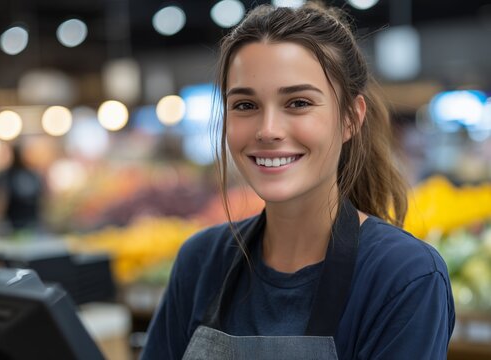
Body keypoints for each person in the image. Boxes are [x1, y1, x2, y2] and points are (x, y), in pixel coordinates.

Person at [142, 2, 455, 359]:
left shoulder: (405, 277)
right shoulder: (201, 262)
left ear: (351, 118)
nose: (268, 130)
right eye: (245, 105)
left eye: (298, 102)